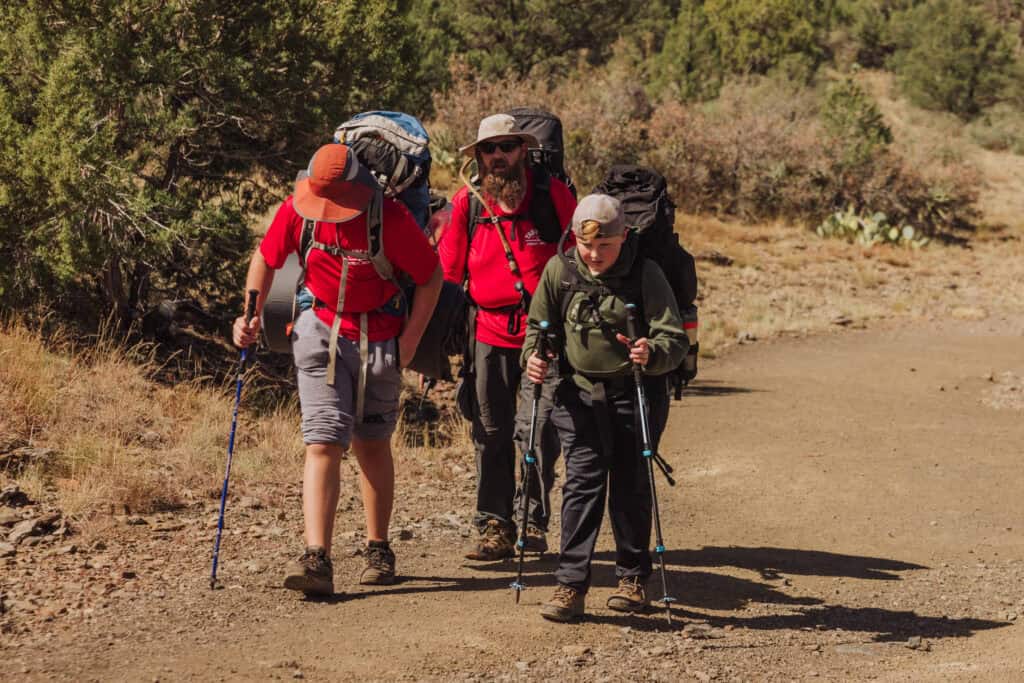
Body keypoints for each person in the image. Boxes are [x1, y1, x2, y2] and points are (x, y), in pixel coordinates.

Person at [233, 143, 442, 596]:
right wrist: (248, 313)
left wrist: (408, 342)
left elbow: (431, 276)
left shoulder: (389, 219)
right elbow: (266, 259)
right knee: (323, 441)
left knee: (370, 443)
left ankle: (378, 548)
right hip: (319, 327)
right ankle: (317, 559)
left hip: (380, 337)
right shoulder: (298, 210)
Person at [521, 194, 687, 622]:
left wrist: (652, 352)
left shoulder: (646, 275)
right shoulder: (559, 271)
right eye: (586, 244)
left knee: (631, 485)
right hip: (578, 396)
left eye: (605, 246)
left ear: (623, 237)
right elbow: (536, 332)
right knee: (583, 485)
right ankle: (569, 586)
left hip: (636, 394)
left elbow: (674, 338)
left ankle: (633, 581)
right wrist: (535, 359)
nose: (594, 255)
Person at [439, 113, 576, 559]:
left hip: (545, 334)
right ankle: (494, 524)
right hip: (487, 330)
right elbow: (447, 275)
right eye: (489, 149)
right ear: (479, 156)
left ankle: (533, 521)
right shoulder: (468, 204)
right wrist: (436, 340)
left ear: (523, 150)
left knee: (538, 432)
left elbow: (579, 260)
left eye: (506, 147)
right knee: (491, 430)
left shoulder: (551, 195)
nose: (498, 156)